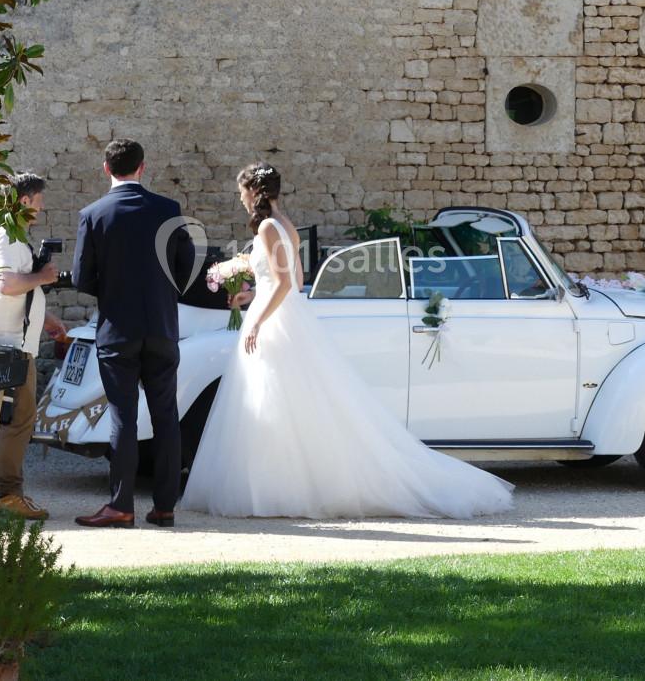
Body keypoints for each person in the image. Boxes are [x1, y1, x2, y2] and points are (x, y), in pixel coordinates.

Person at [181, 163, 516, 519]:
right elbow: (295, 282)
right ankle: (287, 485)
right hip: (290, 318)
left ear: (254, 191)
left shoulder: (266, 227)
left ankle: (277, 489)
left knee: (273, 400)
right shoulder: (287, 225)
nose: (240, 198)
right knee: (293, 401)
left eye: (241, 192)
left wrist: (257, 321)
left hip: (276, 323)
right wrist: (251, 297)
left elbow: (283, 284)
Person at [71, 139, 196, 529]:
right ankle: (165, 507)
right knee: (166, 416)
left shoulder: (93, 214)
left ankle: (121, 505)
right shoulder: (168, 210)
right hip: (161, 326)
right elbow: (187, 268)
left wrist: (112, 290)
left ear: (106, 168)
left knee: (123, 416)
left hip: (118, 329)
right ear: (143, 167)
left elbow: (81, 277)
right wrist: (163, 293)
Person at [0, 172, 66, 520]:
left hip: (0, 343)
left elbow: (7, 290)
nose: (41, 207)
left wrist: (44, 318)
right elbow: (7, 285)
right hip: (5, 345)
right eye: (39, 201)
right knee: (20, 418)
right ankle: (9, 493)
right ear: (24, 201)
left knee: (3, 415)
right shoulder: (7, 236)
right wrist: (43, 277)